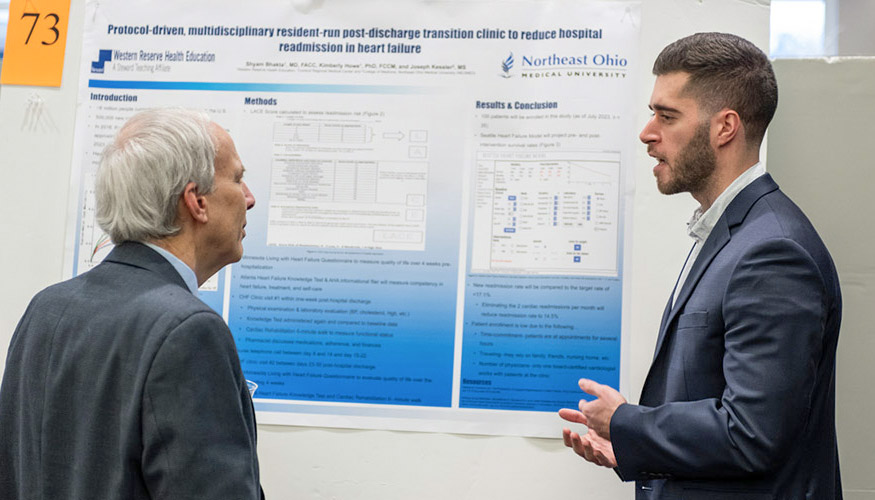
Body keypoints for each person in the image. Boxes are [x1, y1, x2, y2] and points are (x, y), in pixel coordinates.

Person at [559, 33, 842, 499]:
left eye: (667, 116)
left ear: (724, 127)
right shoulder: (734, 232)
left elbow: (752, 433)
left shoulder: (772, 251)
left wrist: (626, 422)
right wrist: (633, 446)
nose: (647, 132)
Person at [0, 108, 264, 499]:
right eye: (238, 178)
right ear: (197, 201)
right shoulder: (188, 330)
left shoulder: (46, 310)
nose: (250, 198)